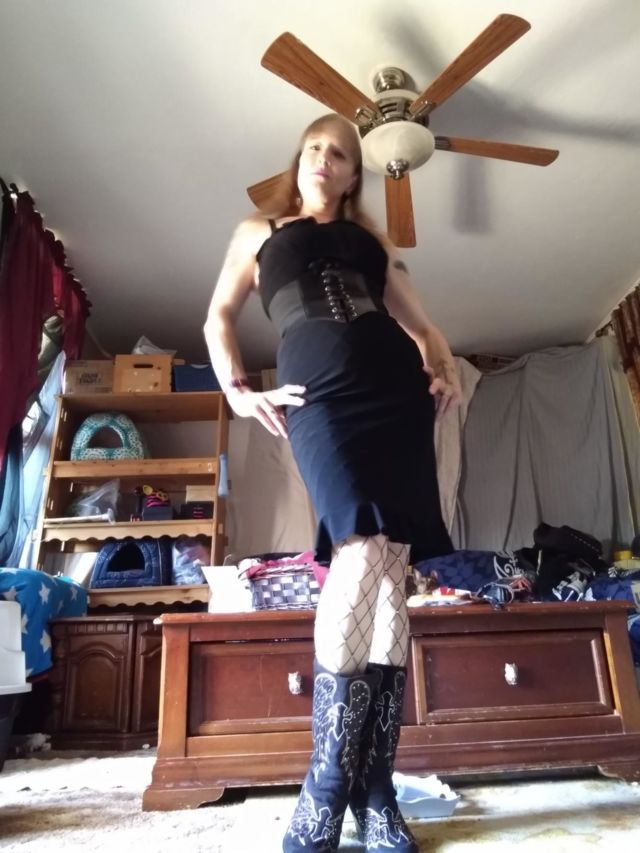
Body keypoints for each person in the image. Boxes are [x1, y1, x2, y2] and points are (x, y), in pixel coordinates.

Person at [204, 113, 461, 853]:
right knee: (358, 549)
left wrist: (443, 370)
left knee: (390, 566)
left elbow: (426, 331)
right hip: (318, 394)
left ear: (354, 174)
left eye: (340, 153)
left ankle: (376, 792)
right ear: (300, 160)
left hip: (394, 392)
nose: (324, 158)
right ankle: (326, 785)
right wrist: (236, 392)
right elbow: (219, 317)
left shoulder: (373, 245)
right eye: (314, 148)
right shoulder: (259, 231)